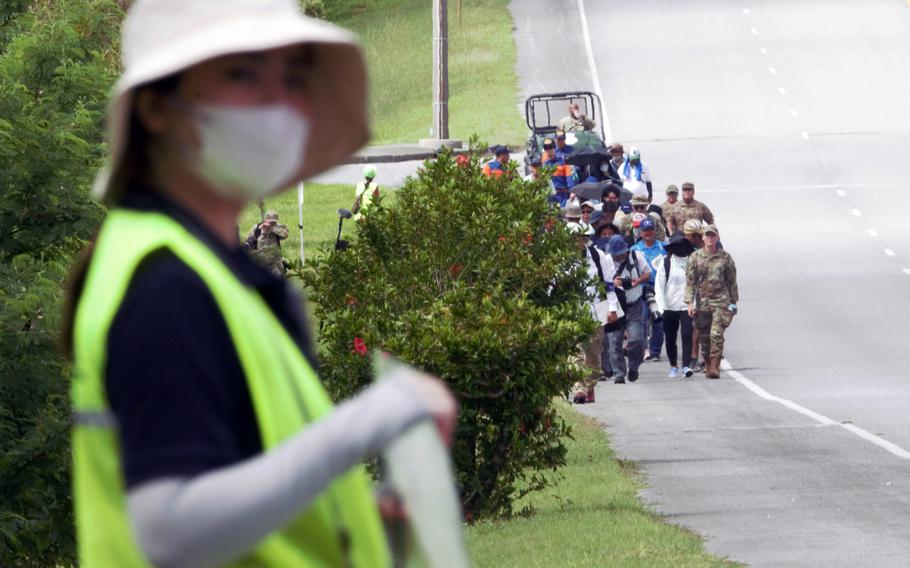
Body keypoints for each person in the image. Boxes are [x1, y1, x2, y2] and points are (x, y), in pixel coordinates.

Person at [62, 1, 457, 566]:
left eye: (292, 77)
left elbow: (247, 483)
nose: (278, 102)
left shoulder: (207, 271)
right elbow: (172, 531)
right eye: (243, 74)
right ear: (156, 108)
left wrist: (357, 526)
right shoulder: (164, 284)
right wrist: (370, 418)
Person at [568, 222, 618, 404]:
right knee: (575, 353)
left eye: (581, 238)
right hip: (572, 313)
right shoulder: (561, 260)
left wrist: (612, 308)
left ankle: (590, 385)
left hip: (597, 311)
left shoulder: (600, 257)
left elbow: (609, 285)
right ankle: (579, 389)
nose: (577, 242)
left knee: (594, 356)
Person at [685, 224, 739, 379]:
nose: (709, 238)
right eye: (707, 235)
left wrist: (733, 303)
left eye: (712, 235)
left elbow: (731, 281)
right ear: (702, 237)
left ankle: (715, 365)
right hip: (702, 303)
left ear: (717, 238)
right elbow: (690, 281)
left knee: (716, 333)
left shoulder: (725, 258)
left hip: (721, 301)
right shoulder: (695, 257)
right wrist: (689, 302)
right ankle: (708, 363)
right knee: (704, 336)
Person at [604, 235, 651, 384]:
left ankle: (634, 366)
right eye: (615, 255)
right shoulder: (605, 260)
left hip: (634, 305)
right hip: (615, 307)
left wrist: (638, 281)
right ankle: (619, 373)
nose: (618, 257)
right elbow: (599, 281)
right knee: (614, 341)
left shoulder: (636, 256)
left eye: (620, 254)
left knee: (637, 339)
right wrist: (612, 283)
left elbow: (647, 273)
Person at [655, 232, 696, 378]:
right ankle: (673, 365)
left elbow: (695, 284)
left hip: (686, 305)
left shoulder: (692, 262)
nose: (680, 248)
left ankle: (686, 366)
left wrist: (694, 303)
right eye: (676, 245)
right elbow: (658, 287)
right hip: (669, 306)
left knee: (686, 334)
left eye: (682, 245)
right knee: (670, 338)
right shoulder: (665, 263)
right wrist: (660, 307)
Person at [631, 218, 666, 362]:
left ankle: (655, 351)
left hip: (659, 288)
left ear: (654, 230)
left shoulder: (663, 246)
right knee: (643, 319)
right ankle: (644, 349)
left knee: (659, 320)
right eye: (645, 230)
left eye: (650, 230)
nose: (648, 233)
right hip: (642, 288)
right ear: (641, 232)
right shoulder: (635, 249)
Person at [244, 210, 289, 276]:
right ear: (265, 220)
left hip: (275, 262)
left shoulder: (278, 228)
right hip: (261, 261)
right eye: (270, 222)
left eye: (274, 222)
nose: (272, 223)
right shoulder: (257, 228)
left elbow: (285, 235)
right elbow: (248, 241)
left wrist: (271, 228)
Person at [542, 138, 575, 205]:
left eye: (550, 147)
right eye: (546, 148)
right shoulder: (545, 164)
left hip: (562, 195)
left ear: (554, 148)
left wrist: (572, 191)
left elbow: (569, 177)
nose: (548, 150)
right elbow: (544, 181)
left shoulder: (563, 162)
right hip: (551, 195)